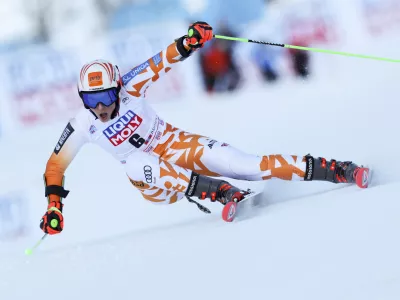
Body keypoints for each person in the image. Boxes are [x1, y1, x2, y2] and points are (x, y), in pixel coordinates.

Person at [39, 21, 369, 235]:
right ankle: (219, 192)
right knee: (136, 162)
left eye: (106, 96)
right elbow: (55, 166)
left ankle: (338, 170)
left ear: (117, 87)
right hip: (153, 183)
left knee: (246, 166)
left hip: (175, 144)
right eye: (91, 100)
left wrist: (191, 40)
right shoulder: (83, 124)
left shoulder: (131, 85)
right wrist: (55, 206)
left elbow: (162, 60)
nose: (100, 107)